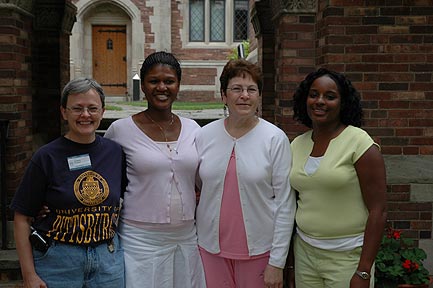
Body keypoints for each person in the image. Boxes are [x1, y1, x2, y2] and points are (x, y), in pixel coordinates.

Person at [104, 51, 206, 288]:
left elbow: (208, 177)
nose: (162, 87)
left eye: (169, 81)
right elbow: (100, 173)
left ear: (178, 85)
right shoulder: (121, 130)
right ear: (143, 85)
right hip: (140, 240)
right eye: (154, 81)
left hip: (186, 237)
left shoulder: (194, 129)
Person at [11, 77, 126, 288]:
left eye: (92, 108)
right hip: (58, 261)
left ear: (102, 111)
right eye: (77, 108)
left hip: (108, 261)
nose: (85, 115)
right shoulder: (46, 157)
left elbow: (131, 193)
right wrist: (28, 275)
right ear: (64, 112)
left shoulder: (115, 152)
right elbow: (21, 218)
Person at [195, 59, 296, 288]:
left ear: (259, 96)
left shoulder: (274, 138)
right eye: (236, 89)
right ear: (223, 95)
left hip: (260, 251)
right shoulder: (204, 136)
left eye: (251, 89)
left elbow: (285, 204)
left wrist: (277, 262)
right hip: (211, 250)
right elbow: (201, 185)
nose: (244, 95)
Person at [289, 68, 387, 288]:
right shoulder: (297, 145)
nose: (320, 101)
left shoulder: (359, 144)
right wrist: (292, 265)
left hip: (347, 257)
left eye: (330, 96)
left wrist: (363, 271)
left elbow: (378, 211)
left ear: (343, 103)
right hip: (305, 254)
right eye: (314, 94)